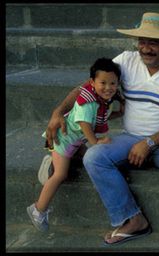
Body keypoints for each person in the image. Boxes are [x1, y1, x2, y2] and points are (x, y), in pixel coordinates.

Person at [43, 12, 159, 252]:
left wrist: (149, 142)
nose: (145, 49)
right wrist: (58, 111)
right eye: (142, 41)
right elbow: (87, 88)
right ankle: (132, 219)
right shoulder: (126, 61)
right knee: (94, 157)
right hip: (129, 138)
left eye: (153, 42)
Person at [27, 58, 125, 232]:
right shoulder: (87, 101)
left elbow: (102, 118)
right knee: (61, 174)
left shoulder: (102, 101)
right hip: (63, 140)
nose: (108, 87)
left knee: (84, 161)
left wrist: (120, 112)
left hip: (76, 141)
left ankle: (51, 163)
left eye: (112, 83)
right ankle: (38, 209)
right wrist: (95, 143)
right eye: (103, 82)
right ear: (91, 82)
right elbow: (84, 123)